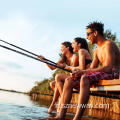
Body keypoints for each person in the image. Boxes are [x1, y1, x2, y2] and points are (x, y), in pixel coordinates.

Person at [55, 22, 120, 120]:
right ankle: (60, 116)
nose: (86, 37)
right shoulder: (97, 49)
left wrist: (84, 73)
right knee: (69, 80)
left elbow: (108, 68)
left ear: (95, 33)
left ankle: (77, 118)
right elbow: (91, 68)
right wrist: (78, 73)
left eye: (88, 34)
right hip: (104, 74)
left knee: (85, 77)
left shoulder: (108, 45)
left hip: (114, 73)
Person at [38, 41, 79, 113]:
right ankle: (57, 103)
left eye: (62, 47)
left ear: (67, 48)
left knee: (58, 76)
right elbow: (52, 67)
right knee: (53, 84)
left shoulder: (74, 57)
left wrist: (66, 66)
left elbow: (74, 70)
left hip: (75, 78)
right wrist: (44, 60)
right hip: (68, 78)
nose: (61, 49)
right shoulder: (63, 59)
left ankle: (59, 102)